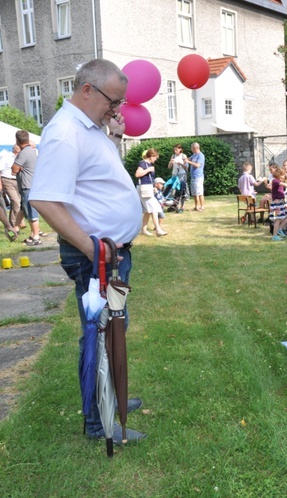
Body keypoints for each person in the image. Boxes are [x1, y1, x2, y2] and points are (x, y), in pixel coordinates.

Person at [29, 58, 146, 444]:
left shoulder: (90, 126)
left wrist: (112, 135)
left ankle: (113, 395)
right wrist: (93, 247)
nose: (117, 109)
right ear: (86, 90)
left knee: (114, 330)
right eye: (114, 101)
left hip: (109, 254)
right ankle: (98, 420)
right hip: (94, 257)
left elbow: (95, 182)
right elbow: (45, 200)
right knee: (98, 335)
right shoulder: (64, 133)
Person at [12, 131, 43, 246]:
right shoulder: (31, 151)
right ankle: (16, 228)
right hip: (31, 184)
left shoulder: (24, 153)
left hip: (27, 186)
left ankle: (36, 236)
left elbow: (14, 169)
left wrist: (17, 168)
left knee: (31, 211)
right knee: (23, 208)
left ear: (17, 140)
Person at [135, 148, 167, 237]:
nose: (156, 159)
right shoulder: (143, 163)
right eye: (155, 157)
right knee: (154, 207)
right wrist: (148, 170)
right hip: (143, 189)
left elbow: (149, 179)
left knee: (148, 210)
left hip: (147, 188)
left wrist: (153, 187)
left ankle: (143, 230)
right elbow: (137, 174)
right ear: (152, 156)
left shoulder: (148, 164)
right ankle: (158, 229)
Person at [263, 163, 287, 241]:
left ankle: (280, 229)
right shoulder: (275, 181)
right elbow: (283, 184)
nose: (283, 177)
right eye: (282, 175)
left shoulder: (278, 180)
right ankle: (274, 236)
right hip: (277, 203)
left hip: (282, 201)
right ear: (278, 175)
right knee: (277, 219)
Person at [1, 145, 24, 235]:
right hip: (7, 180)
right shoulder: (6, 156)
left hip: (18, 180)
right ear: (15, 150)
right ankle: (14, 225)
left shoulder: (21, 157)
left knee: (17, 203)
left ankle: (13, 224)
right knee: (16, 202)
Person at [167, 144, 189, 213]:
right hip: (174, 174)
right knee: (174, 190)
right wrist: (171, 162)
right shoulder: (173, 156)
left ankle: (182, 206)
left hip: (182, 174)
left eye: (176, 149)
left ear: (180, 149)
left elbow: (186, 167)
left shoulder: (183, 156)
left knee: (182, 190)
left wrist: (180, 163)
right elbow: (169, 167)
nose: (175, 151)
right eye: (174, 150)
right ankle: (174, 205)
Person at [185, 142, 205, 212]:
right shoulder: (194, 155)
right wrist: (184, 159)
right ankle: (196, 206)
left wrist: (188, 162)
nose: (191, 150)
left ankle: (202, 207)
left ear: (195, 148)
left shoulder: (200, 155)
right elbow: (188, 159)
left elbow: (197, 165)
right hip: (193, 176)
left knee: (199, 192)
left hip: (198, 176)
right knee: (194, 192)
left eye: (192, 149)